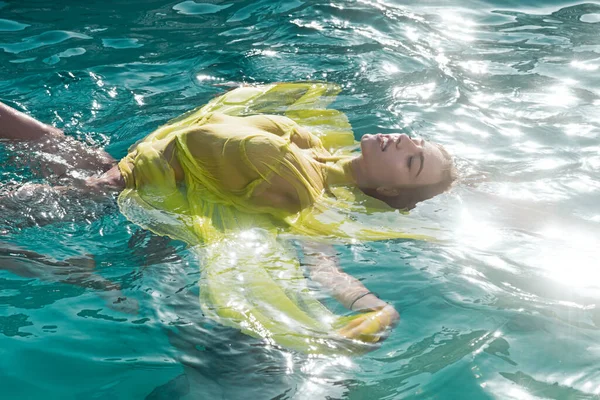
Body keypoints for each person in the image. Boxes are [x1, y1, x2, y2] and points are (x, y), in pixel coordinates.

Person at [0, 82, 456, 354]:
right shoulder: (313, 142)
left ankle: (76, 274)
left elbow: (324, 269)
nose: (403, 143)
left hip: (115, 194)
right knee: (41, 137)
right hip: (122, 168)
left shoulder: (306, 197)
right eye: (414, 142)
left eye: (413, 161)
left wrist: (372, 307)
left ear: (392, 189)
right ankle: (78, 273)